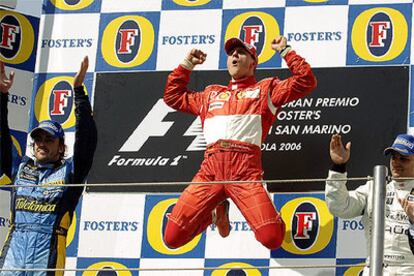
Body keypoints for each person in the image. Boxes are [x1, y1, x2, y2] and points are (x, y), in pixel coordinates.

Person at [163, 36, 317, 249]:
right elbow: (172, 96)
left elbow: (306, 80)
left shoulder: (266, 89)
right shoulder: (210, 94)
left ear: (253, 62)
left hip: (245, 172)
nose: (234, 55)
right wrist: (187, 65)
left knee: (272, 239)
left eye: (241, 52)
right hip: (210, 172)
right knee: (172, 239)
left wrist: (286, 51)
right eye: (231, 53)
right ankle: (214, 215)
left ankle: (259, 215)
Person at [0, 57, 97, 275]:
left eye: (49, 140)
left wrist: (79, 93)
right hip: (12, 257)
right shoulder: (19, 167)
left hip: (48, 255)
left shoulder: (71, 171)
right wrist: (2, 96)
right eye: (39, 139)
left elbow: (87, 142)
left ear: (61, 147)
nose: (42, 144)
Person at [326, 133, 414, 275]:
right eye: (393, 157)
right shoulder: (375, 187)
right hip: (375, 269)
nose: (396, 162)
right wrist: (338, 167)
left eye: (404, 158)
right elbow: (339, 207)